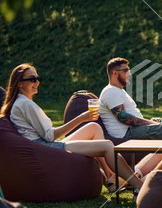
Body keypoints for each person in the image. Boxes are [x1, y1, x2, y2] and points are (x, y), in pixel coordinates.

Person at [0, 63, 143, 196]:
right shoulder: (25, 104)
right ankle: (139, 185)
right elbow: (50, 136)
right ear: (19, 83)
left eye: (38, 78)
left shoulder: (19, 102)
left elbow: (45, 133)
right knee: (107, 146)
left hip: (40, 145)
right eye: (32, 79)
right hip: (44, 148)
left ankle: (111, 177)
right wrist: (81, 118)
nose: (36, 82)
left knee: (94, 127)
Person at [99, 57, 162, 177]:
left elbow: (130, 115)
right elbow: (123, 117)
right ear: (115, 73)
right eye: (126, 70)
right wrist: (149, 123)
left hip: (135, 128)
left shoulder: (119, 90)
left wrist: (148, 121)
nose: (129, 73)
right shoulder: (111, 91)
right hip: (127, 133)